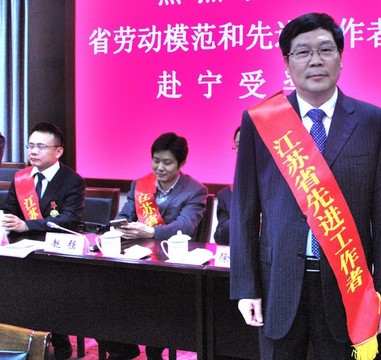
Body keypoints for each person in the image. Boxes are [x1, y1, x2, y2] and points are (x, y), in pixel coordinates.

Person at [230, 12, 381, 360]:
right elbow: (244, 210)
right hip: (278, 284)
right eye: (303, 52)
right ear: (287, 62)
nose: (315, 60)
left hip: (347, 287)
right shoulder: (260, 122)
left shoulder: (375, 123)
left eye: (325, 50)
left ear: (340, 57)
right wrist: (246, 286)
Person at [101, 132, 208, 360]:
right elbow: (124, 215)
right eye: (156, 160)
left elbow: (186, 226)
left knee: (153, 303)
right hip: (134, 259)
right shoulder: (140, 185)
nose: (159, 168)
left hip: (169, 265)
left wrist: (151, 232)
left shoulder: (195, 190)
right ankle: (123, 349)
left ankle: (154, 349)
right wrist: (121, 226)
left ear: (181, 163)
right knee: (103, 296)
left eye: (167, 162)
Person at [0, 121, 85, 360]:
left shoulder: (72, 180)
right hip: (22, 251)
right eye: (30, 146)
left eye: (40, 147)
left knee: (49, 286)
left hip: (56, 253)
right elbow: (10, 211)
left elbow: (69, 220)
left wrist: (28, 225)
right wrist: (8, 221)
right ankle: (16, 342)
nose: (33, 152)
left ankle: (60, 343)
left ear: (58, 151)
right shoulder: (21, 177)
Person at [213, 126, 240, 245]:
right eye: (238, 146)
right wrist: (240, 217)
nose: (241, 150)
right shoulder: (227, 194)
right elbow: (220, 237)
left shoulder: (276, 188)